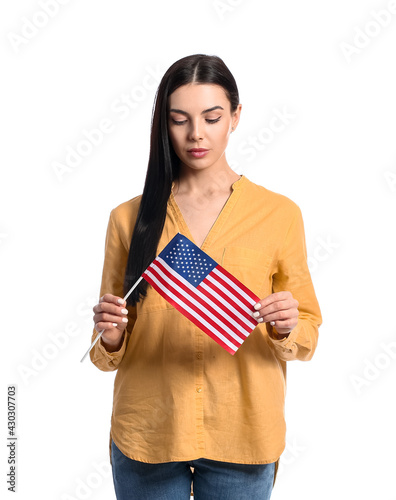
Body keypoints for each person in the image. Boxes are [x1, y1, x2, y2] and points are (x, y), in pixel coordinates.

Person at [90, 54, 322, 500]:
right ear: (164, 124)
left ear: (235, 117)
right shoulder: (129, 218)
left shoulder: (279, 214)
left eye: (212, 118)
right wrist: (112, 335)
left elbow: (308, 332)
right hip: (149, 430)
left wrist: (287, 325)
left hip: (244, 433)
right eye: (179, 120)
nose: (196, 134)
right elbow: (107, 348)